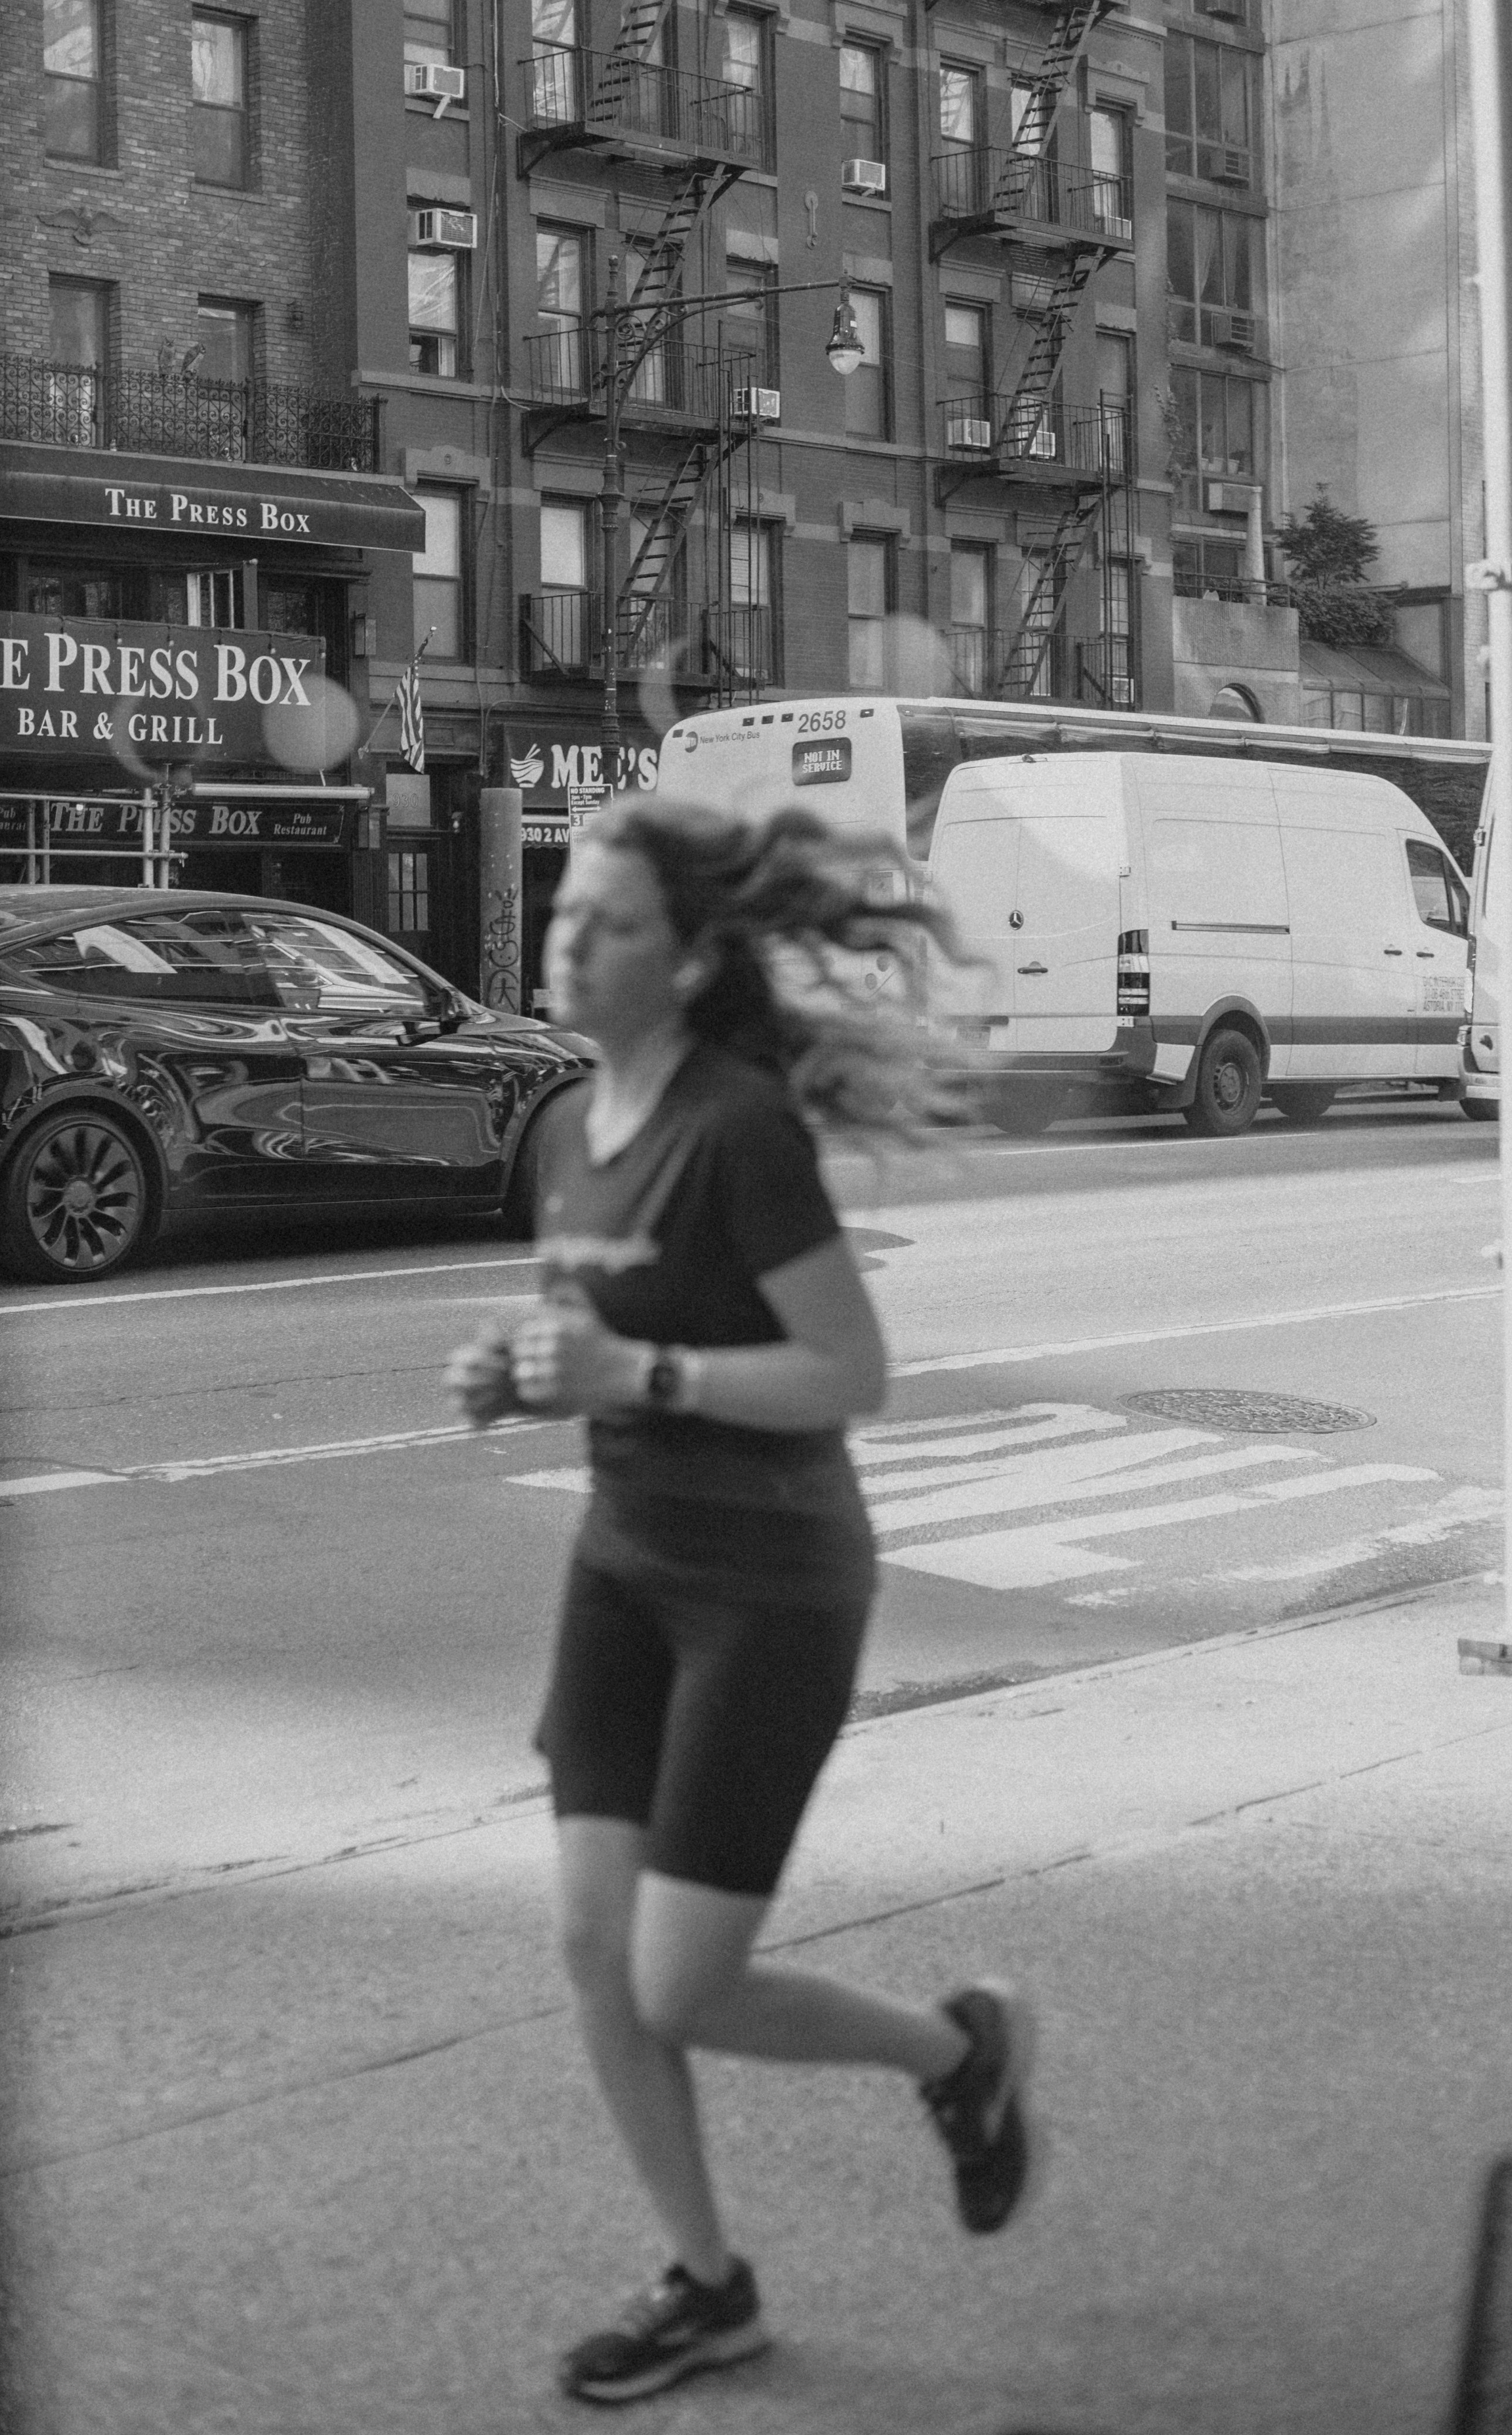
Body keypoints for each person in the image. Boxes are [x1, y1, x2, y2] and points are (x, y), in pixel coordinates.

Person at [447, 797, 1037, 2408]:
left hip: (774, 1582)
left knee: (682, 1985)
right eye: (565, 910)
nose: (568, 939)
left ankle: (958, 2050)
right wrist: (516, 1370)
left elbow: (852, 1371)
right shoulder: (575, 1127)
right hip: (627, 1558)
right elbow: (597, 1319)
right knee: (591, 1945)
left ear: (696, 960)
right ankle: (709, 2288)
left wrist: (638, 1367)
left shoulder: (734, 1127)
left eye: (609, 922)